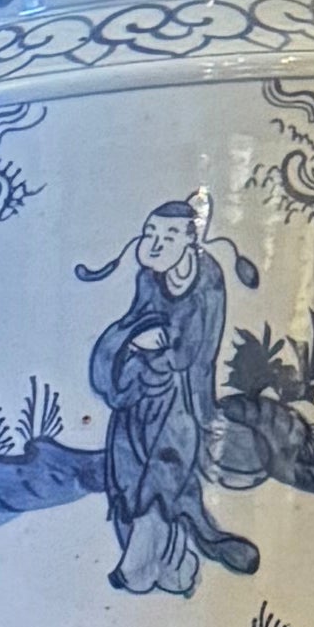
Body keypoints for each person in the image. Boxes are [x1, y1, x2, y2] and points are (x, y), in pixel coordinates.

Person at [83, 196, 257, 601]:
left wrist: (156, 351)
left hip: (176, 398)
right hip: (139, 394)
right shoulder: (149, 279)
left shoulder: (207, 281)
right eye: (150, 234)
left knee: (162, 480)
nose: (155, 244)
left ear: (192, 241)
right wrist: (133, 342)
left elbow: (191, 351)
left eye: (169, 235)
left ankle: (136, 571)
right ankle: (176, 567)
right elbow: (135, 323)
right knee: (126, 479)